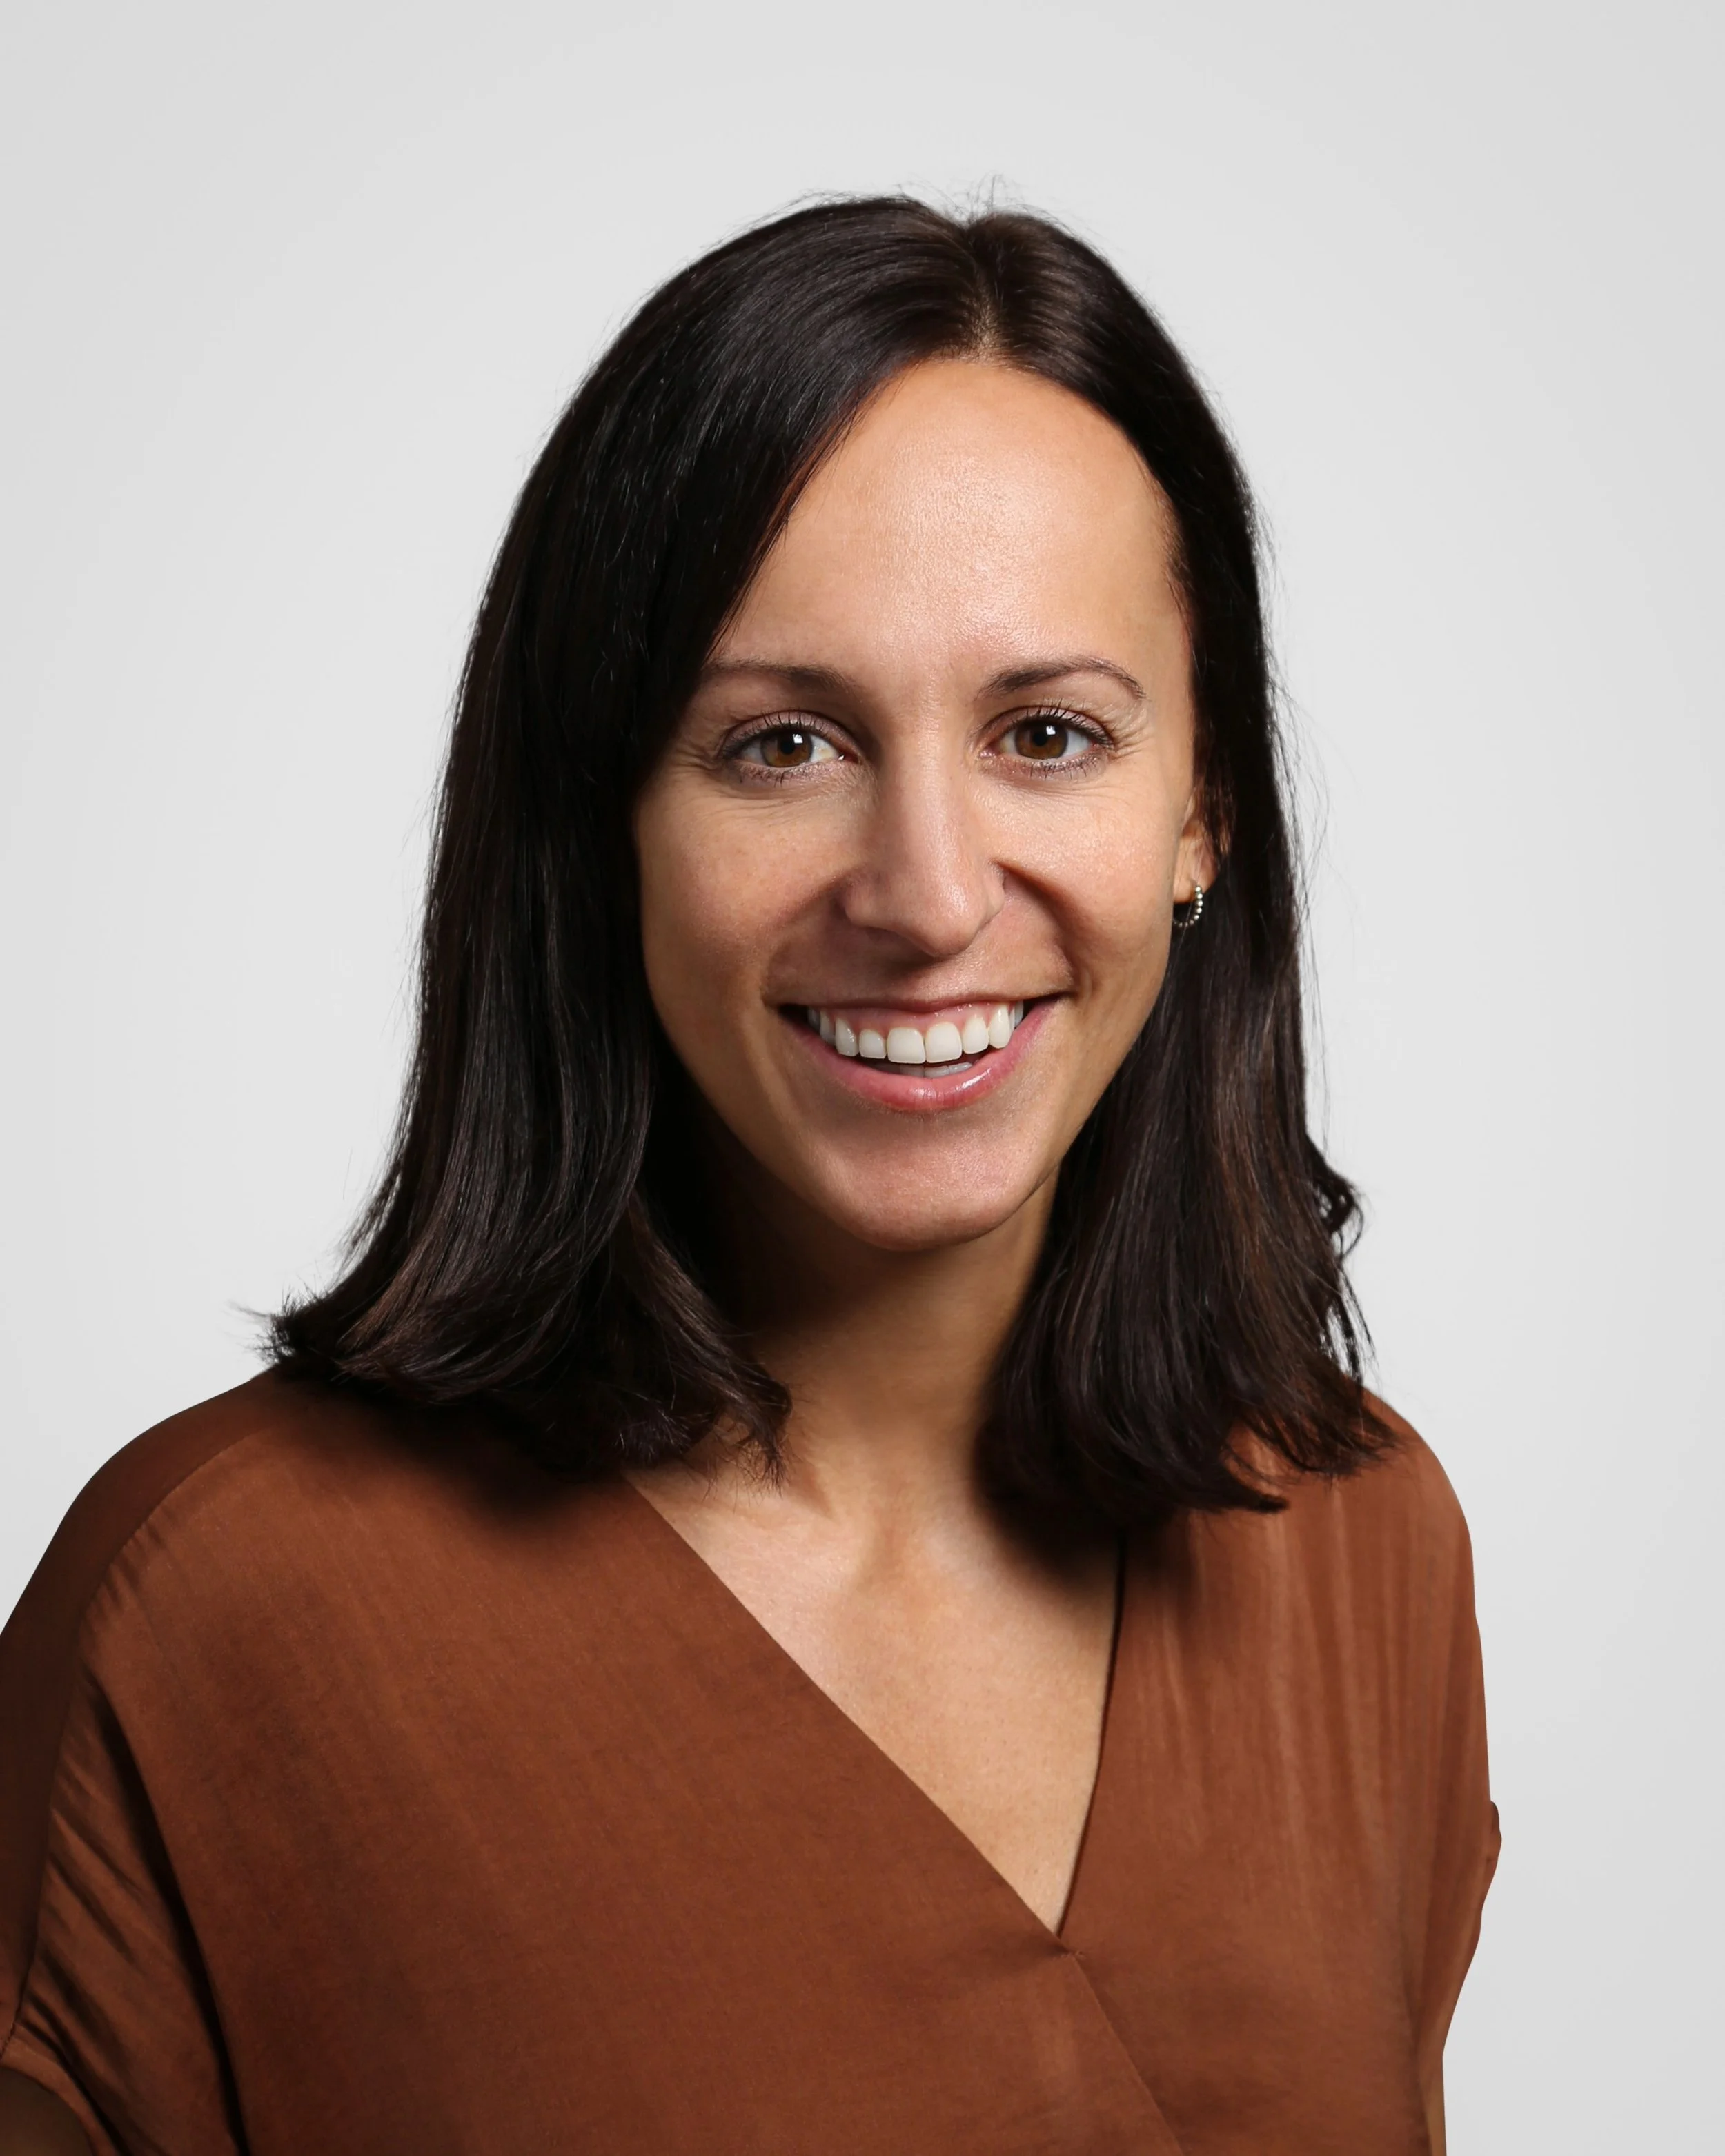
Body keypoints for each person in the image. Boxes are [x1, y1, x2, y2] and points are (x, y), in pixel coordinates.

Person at [0, 199, 1497, 2156]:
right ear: (595, 824)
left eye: (1048, 732)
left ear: (1200, 809)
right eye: (780, 744)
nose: (929, 891)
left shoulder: (1352, 1546)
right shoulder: (221, 1619)